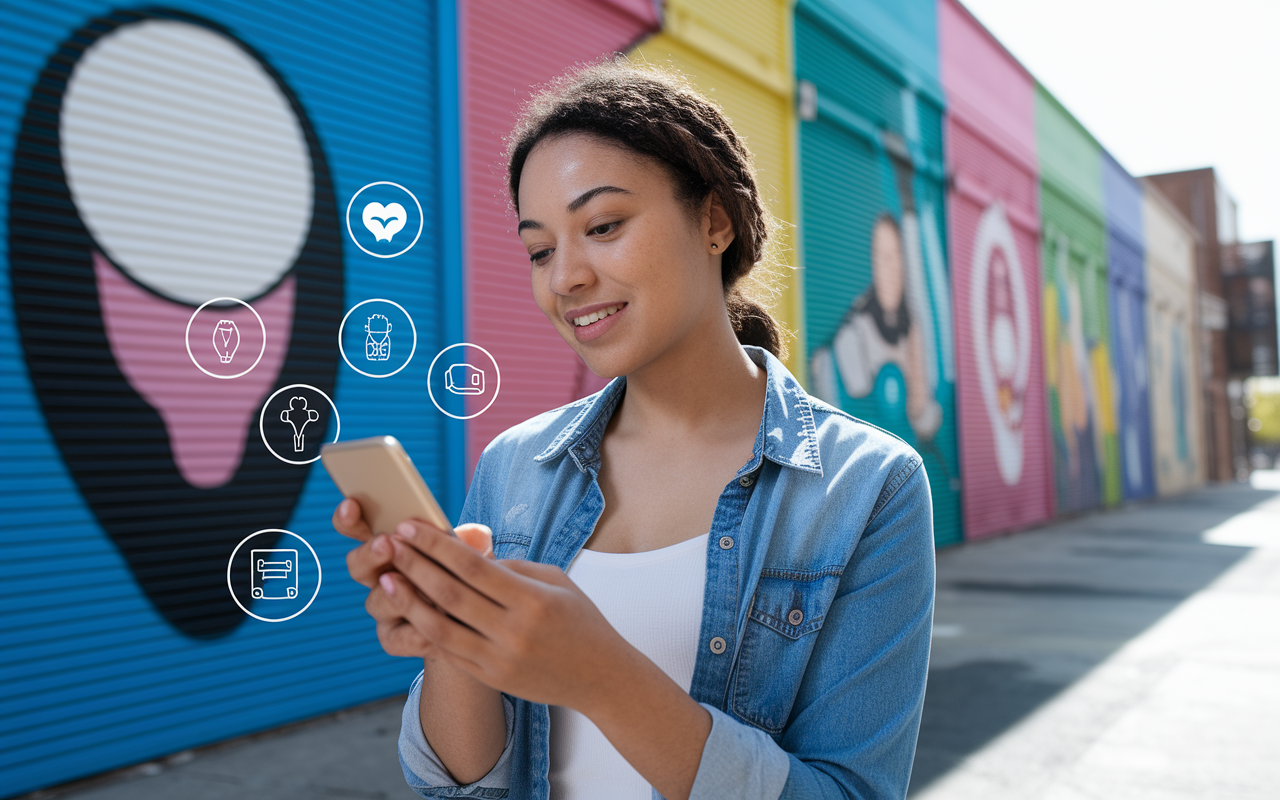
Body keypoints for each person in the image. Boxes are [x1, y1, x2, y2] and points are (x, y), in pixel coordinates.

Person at [332, 59, 935, 800]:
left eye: (604, 226)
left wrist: (602, 678)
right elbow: (462, 786)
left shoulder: (865, 485)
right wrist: (452, 642)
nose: (565, 279)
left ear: (713, 221)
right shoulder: (516, 468)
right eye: (540, 249)